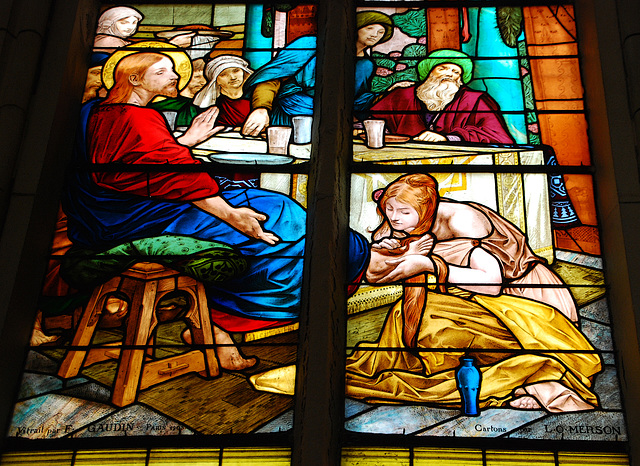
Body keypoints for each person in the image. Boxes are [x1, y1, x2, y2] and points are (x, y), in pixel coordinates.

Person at [62, 47, 369, 369]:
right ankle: (222, 326)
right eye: (163, 71)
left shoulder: (96, 111)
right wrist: (232, 216)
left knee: (275, 209)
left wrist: (186, 143)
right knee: (280, 215)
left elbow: (140, 167)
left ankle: (217, 327)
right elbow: (168, 177)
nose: (175, 76)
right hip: (144, 218)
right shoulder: (135, 116)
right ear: (135, 79)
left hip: (117, 215)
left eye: (174, 70)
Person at [250, 174, 600, 413]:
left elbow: (491, 282)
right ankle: (517, 382)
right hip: (473, 301)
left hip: (524, 301)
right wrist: (390, 249)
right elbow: (383, 264)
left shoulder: (463, 224)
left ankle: (532, 382)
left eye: (403, 212)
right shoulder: (403, 219)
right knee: (412, 320)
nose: (395, 218)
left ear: (427, 210)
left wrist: (430, 265)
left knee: (433, 321)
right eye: (389, 210)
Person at [242, 11, 395, 136]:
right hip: (287, 115)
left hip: (331, 126)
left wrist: (390, 93)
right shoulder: (309, 44)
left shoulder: (366, 65)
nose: (375, 34)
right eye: (370, 28)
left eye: (381, 32)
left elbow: (358, 102)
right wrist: (261, 108)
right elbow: (272, 78)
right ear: (355, 27)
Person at [369, 49, 515, 144]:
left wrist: (450, 138)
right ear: (429, 72)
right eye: (442, 68)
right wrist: (362, 129)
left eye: (456, 72)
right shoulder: (401, 95)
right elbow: (373, 120)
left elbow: (498, 136)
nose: (449, 74)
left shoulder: (475, 100)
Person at [193, 55, 254, 128]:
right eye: (223, 74)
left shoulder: (257, 98)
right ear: (216, 81)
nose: (233, 77)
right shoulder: (213, 105)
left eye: (236, 71)